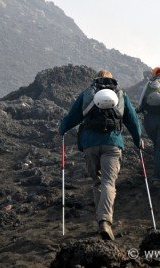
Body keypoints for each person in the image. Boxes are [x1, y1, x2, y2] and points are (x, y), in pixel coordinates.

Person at [59, 70, 143, 240]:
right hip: (112, 143)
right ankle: (105, 220)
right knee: (109, 182)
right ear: (112, 80)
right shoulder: (120, 94)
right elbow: (132, 119)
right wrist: (138, 139)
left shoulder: (88, 94)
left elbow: (73, 115)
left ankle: (100, 220)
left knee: (97, 181)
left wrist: (62, 129)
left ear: (96, 79)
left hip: (90, 144)